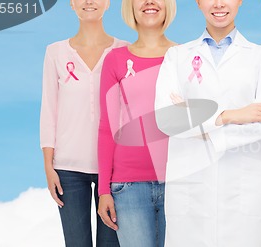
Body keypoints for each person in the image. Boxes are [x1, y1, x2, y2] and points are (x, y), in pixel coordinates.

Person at [154, 0, 261, 246]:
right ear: (199, 3)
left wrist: (195, 121)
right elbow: (167, 119)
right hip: (192, 189)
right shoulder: (177, 56)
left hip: (244, 189)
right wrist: (231, 116)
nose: (219, 4)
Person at [40, 0, 127, 246]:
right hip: (67, 169)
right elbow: (49, 111)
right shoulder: (55, 52)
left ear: (108, 3)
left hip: (114, 168)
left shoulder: (124, 51)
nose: (89, 2)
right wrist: (48, 166)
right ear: (72, 4)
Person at [96, 0, 177, 246]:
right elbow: (106, 127)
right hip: (128, 187)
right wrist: (103, 191)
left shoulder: (185, 57)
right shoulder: (115, 59)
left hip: (178, 183)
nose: (150, 2)